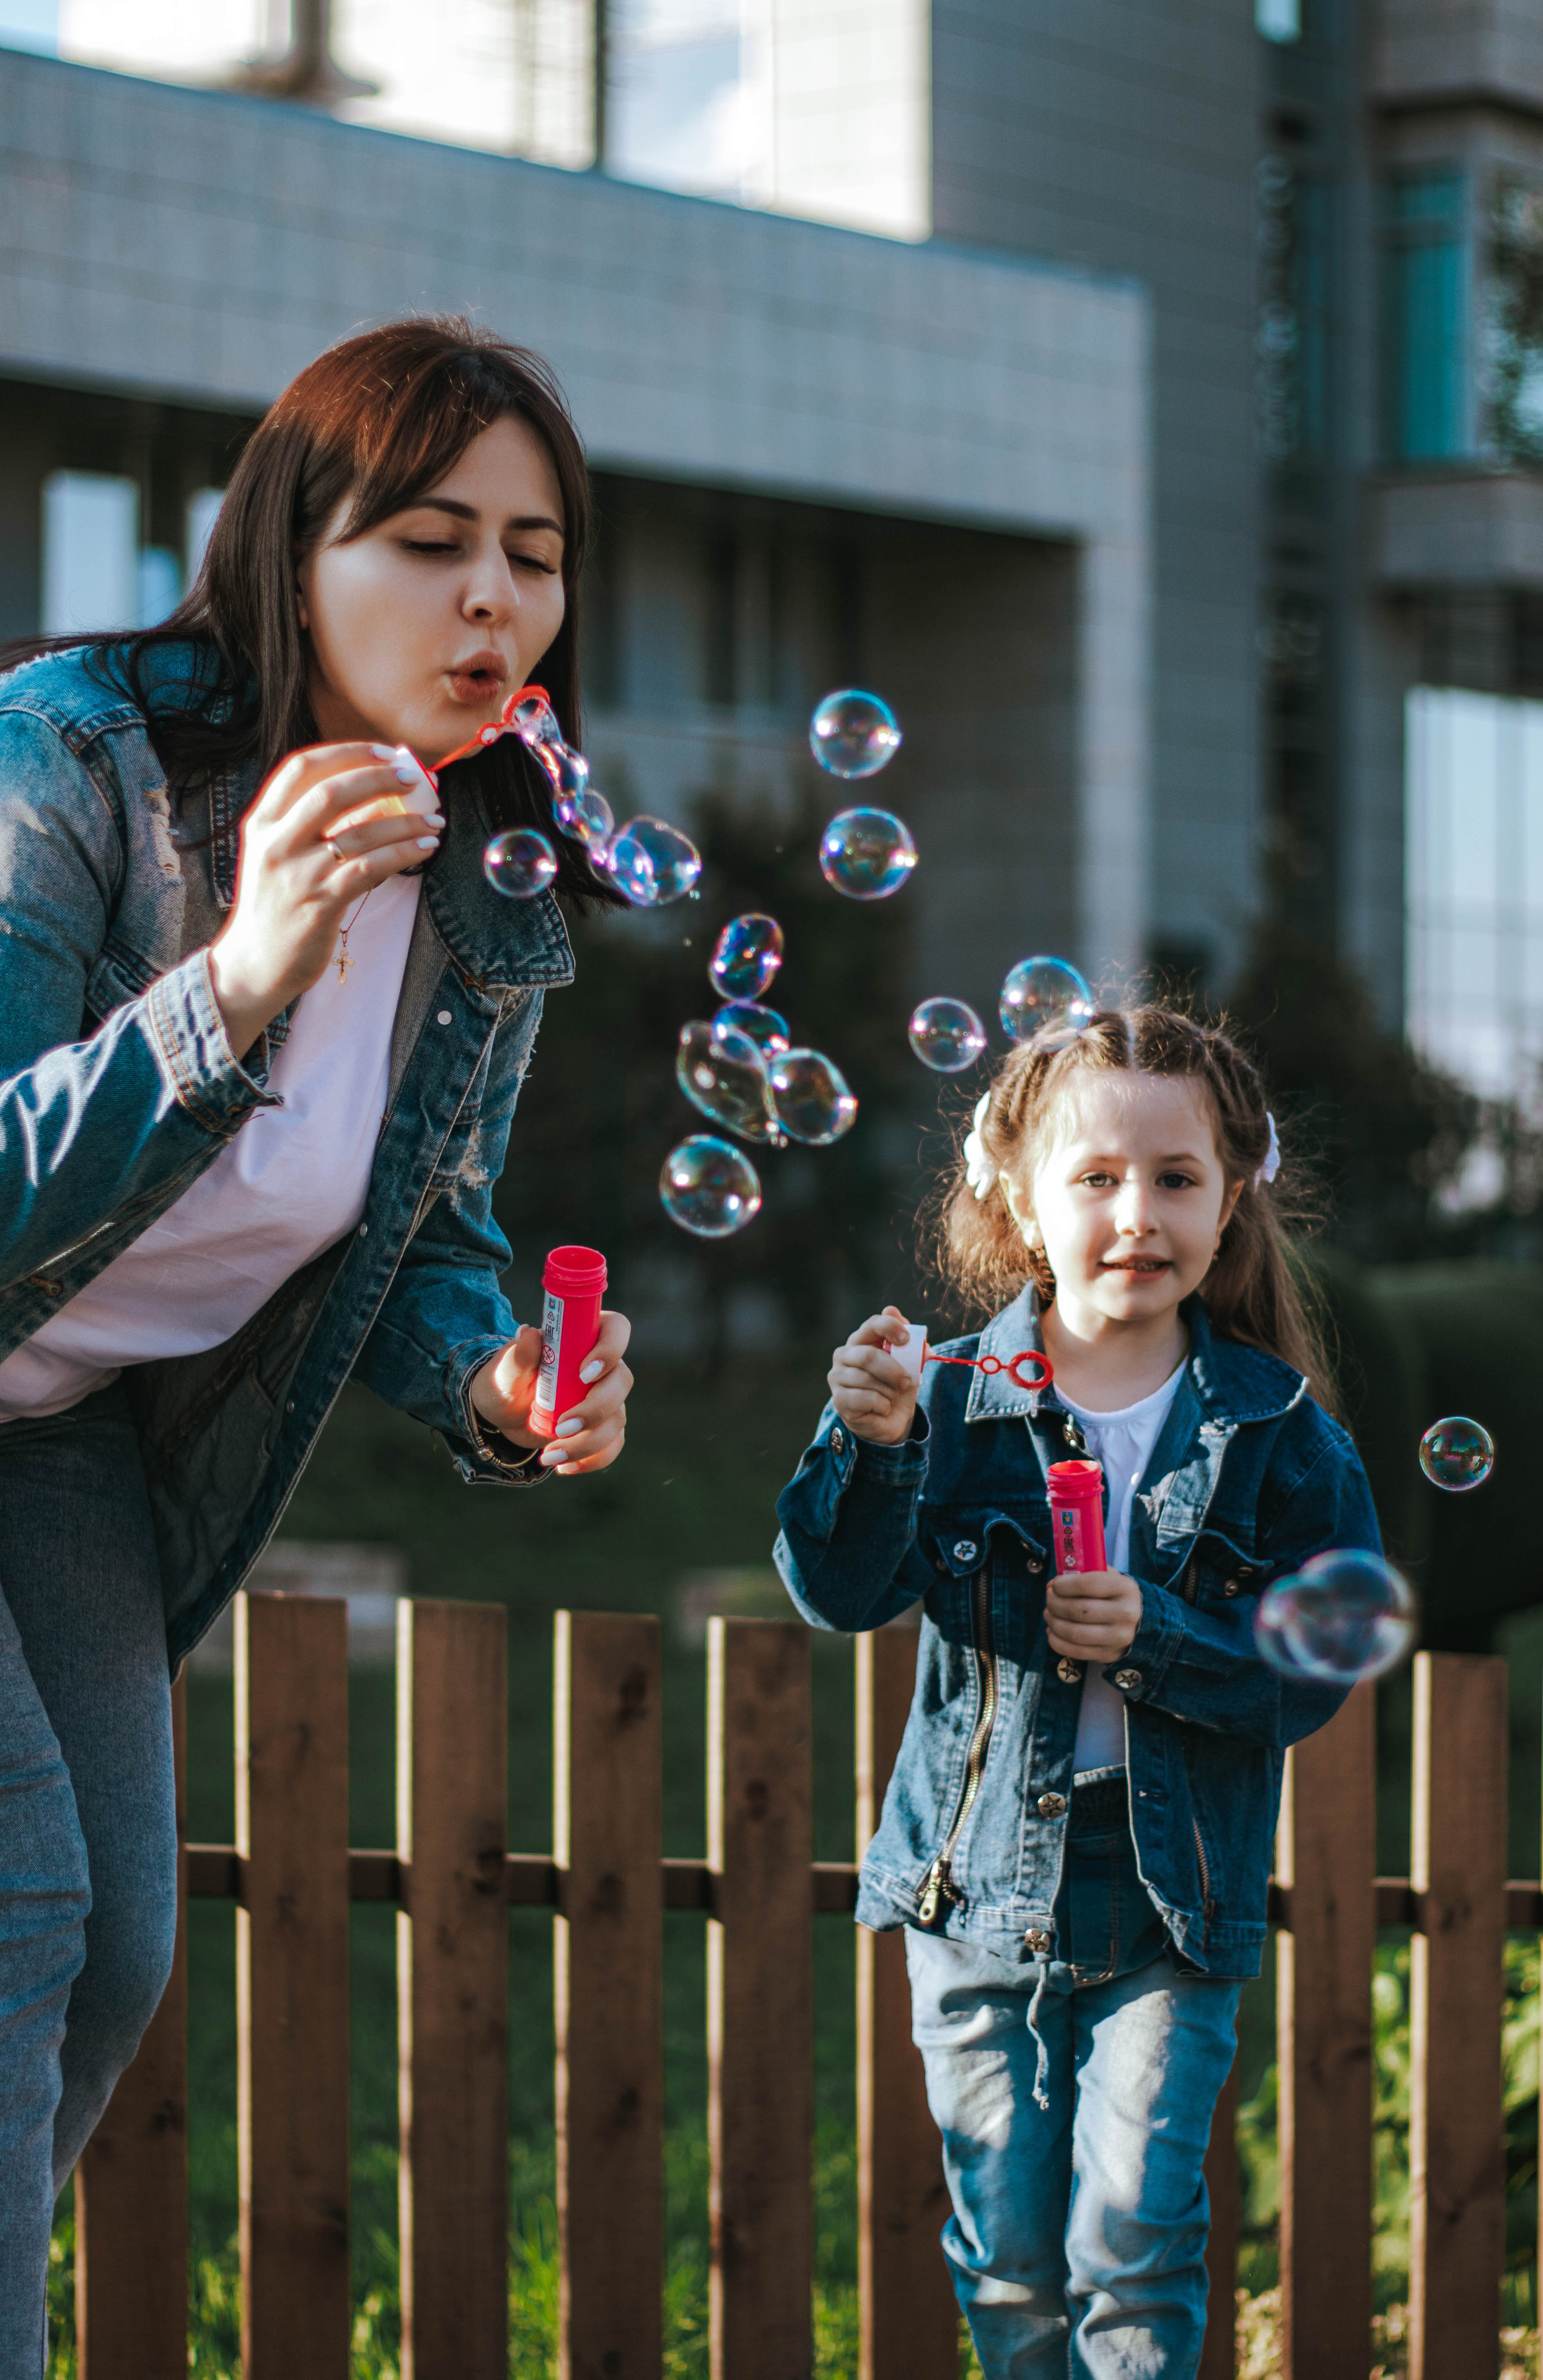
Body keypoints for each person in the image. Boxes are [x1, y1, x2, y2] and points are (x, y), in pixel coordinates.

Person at [0, 317, 634, 2366]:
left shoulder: (486, 887)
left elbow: (423, 1226)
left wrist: (494, 1375)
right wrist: (239, 980)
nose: (494, 600)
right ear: (294, 552)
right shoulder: (66, 757)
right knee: (18, 1925)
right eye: (433, 536)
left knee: (107, 1964)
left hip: (61, 1428)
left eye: (534, 555)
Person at [774, 1003, 1381, 2379]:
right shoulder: (939, 1398)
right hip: (970, 1889)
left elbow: (1317, 1664)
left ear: (1232, 1203)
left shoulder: (1280, 1433)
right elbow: (836, 1592)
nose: (1135, 1213)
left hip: (1167, 1895)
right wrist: (863, 1444)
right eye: (1094, 1178)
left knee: (1132, 2242)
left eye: (1174, 1179)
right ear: (1021, 1202)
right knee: (1007, 2264)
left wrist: (1159, 1633)